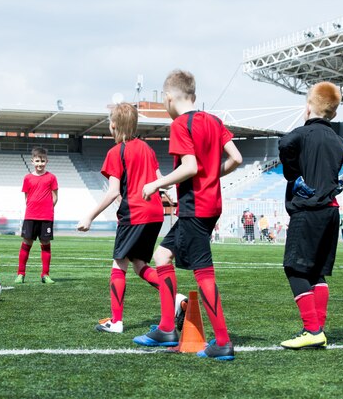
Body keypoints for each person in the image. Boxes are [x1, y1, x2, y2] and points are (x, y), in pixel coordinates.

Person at [134, 69, 242, 361]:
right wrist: (212, 176)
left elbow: (190, 167)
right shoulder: (215, 121)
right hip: (208, 205)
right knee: (161, 257)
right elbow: (237, 158)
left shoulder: (181, 124)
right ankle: (167, 328)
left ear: (169, 98)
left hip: (196, 207)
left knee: (203, 272)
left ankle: (222, 342)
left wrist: (156, 183)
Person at [76, 103, 187, 334]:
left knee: (119, 264)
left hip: (134, 214)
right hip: (155, 214)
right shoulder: (147, 148)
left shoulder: (115, 152)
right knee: (139, 265)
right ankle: (175, 299)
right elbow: (160, 180)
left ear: (113, 125)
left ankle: (116, 322)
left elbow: (114, 191)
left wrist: (90, 216)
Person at [278, 81, 343, 350]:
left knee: (295, 268)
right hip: (331, 211)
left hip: (308, 212)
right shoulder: (340, 141)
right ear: (334, 113)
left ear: (308, 107)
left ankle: (312, 329)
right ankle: (317, 329)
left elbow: (285, 143)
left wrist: (293, 174)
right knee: (317, 272)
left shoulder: (301, 134)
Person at [15, 147, 58, 284]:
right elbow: (27, 197)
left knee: (45, 243)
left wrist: (47, 210)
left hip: (46, 217)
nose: (40, 164)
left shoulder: (51, 177)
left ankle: (45, 275)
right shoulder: (27, 178)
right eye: (37, 161)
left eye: (43, 161)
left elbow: (55, 197)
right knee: (26, 243)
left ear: (47, 161)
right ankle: (21, 274)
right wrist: (34, 208)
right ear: (32, 161)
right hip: (30, 216)